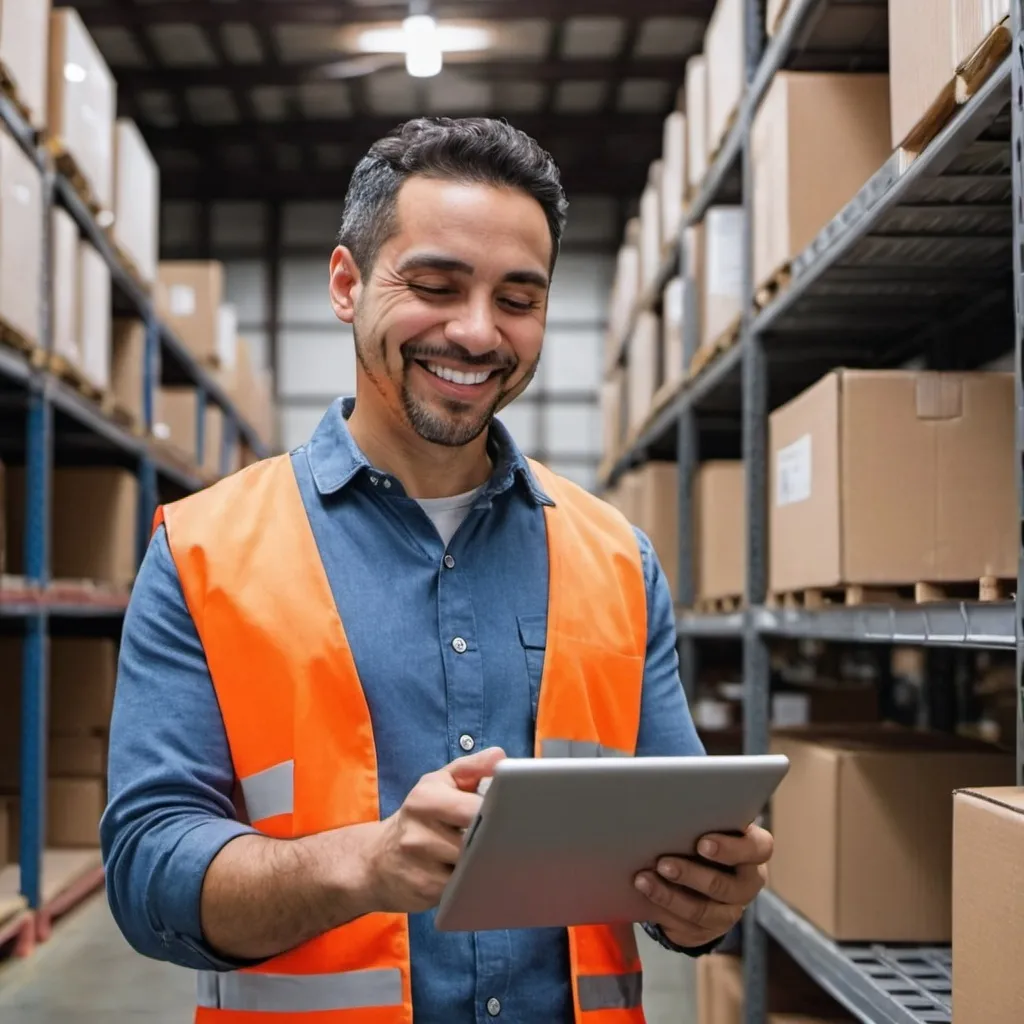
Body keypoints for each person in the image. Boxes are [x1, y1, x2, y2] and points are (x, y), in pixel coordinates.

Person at [101, 116, 773, 1023]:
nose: (476, 331)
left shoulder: (617, 556)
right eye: (434, 285)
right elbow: (147, 872)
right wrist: (362, 864)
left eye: (518, 299)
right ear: (347, 284)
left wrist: (706, 907)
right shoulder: (202, 550)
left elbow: (673, 851)